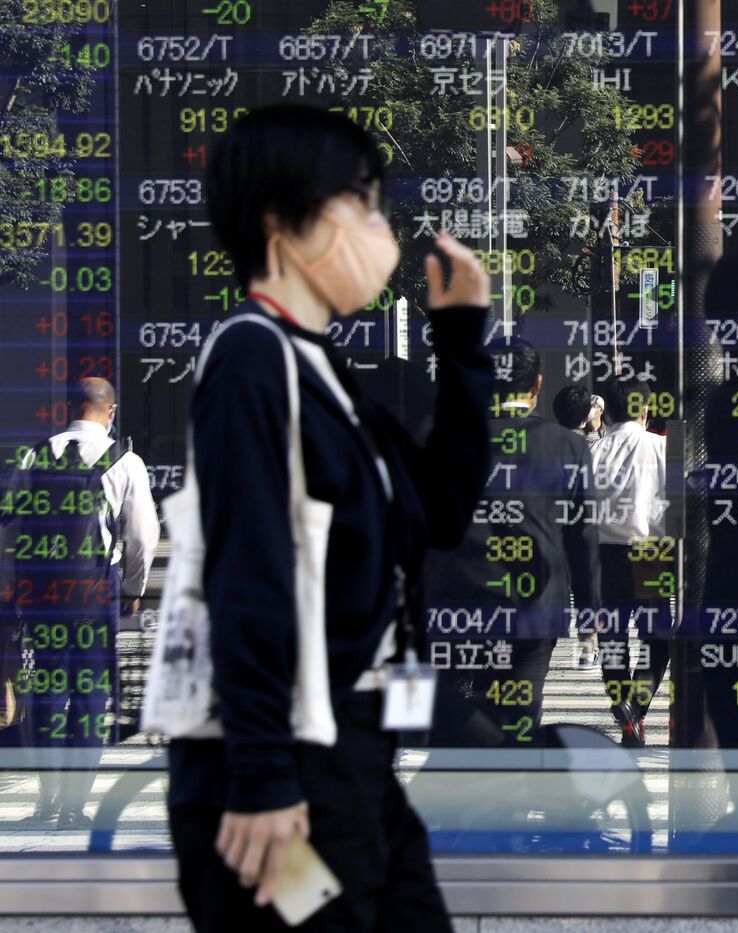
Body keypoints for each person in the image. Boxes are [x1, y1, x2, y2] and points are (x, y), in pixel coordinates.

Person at [167, 104, 494, 932]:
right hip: (288, 786)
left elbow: (443, 512)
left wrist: (460, 341)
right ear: (282, 222)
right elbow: (248, 572)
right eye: (362, 204)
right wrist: (264, 778)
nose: (381, 232)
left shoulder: (331, 379)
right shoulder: (251, 359)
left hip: (353, 765)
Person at [425, 339, 601, 745]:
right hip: (535, 608)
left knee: (461, 719)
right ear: (536, 385)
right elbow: (583, 535)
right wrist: (589, 611)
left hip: (459, 602)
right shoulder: (568, 446)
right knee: (521, 716)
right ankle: (513, 786)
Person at [1, 378, 159, 829]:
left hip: (42, 595)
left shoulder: (34, 455)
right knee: (89, 696)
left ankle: (47, 801)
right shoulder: (125, 461)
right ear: (111, 411)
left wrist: (12, 583)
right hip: (94, 593)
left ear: (68, 408)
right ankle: (73, 805)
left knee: (47, 692)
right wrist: (132, 588)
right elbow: (143, 536)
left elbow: (9, 527)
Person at [589, 377, 668, 747]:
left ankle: (624, 712)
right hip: (652, 553)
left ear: (609, 411)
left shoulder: (593, 451)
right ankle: (636, 710)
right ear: (645, 409)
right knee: (656, 639)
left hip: (605, 555)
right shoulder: (662, 447)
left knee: (613, 639)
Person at [551, 383, 607, 666]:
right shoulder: (581, 447)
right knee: (584, 586)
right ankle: (587, 647)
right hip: (574, 531)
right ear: (585, 417)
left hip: (545, 538)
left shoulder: (541, 441)